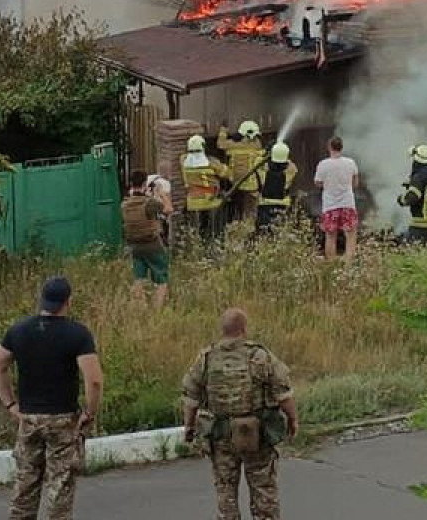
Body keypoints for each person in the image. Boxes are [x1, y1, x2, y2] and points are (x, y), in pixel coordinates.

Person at [0, 277, 103, 520]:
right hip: (63, 419)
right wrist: (89, 412)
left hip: (29, 418)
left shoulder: (19, 330)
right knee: (59, 488)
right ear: (68, 302)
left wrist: (10, 404)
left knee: (25, 486)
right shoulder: (78, 334)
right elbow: (93, 380)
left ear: (42, 300)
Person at [181, 308, 299, 520]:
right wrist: (292, 420)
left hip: (221, 436)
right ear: (244, 329)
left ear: (223, 330)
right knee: (263, 489)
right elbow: (283, 394)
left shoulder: (206, 358)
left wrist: (189, 428)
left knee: (226, 489)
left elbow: (191, 398)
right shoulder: (259, 356)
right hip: (257, 435)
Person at [122, 172, 171, 310]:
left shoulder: (125, 204)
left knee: (139, 278)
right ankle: (157, 309)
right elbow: (168, 209)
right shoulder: (149, 203)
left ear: (131, 185)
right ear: (144, 184)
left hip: (135, 246)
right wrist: (161, 193)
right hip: (152, 244)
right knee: (162, 279)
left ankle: (140, 308)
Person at [313, 136, 360, 261]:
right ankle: (348, 263)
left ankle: (331, 263)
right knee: (350, 234)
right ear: (342, 147)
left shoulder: (323, 164)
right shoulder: (350, 163)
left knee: (330, 236)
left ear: (329, 147)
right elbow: (355, 183)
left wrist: (328, 185)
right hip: (348, 204)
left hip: (330, 205)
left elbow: (318, 183)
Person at [218, 120, 269, 223]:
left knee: (238, 210)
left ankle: (238, 225)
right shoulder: (257, 145)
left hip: (236, 184)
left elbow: (220, 144)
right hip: (251, 186)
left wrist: (223, 130)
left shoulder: (233, 146)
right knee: (251, 212)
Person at [182, 134, 230, 243]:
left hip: (192, 202)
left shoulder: (184, 162)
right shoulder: (210, 162)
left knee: (197, 231)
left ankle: (199, 247)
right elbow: (226, 173)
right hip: (210, 201)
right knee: (215, 230)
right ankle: (214, 247)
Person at [255, 141, 297, 235]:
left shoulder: (263, 173)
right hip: (282, 205)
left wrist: (267, 152)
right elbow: (292, 166)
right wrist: (282, 154)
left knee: (263, 232)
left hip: (265, 205)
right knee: (279, 231)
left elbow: (257, 161)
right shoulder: (289, 172)